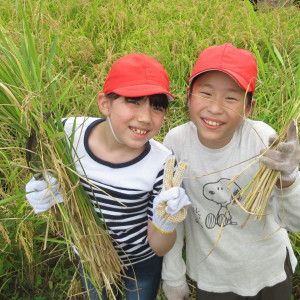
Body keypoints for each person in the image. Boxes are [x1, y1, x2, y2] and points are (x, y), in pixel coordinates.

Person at [25, 53, 191, 300]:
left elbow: (159, 246)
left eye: (157, 107)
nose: (145, 117)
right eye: (133, 101)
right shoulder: (66, 135)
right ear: (105, 103)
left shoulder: (161, 163)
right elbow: (63, 211)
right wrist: (44, 189)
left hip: (140, 263)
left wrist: (165, 221)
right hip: (90, 256)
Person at [161, 43, 300, 300]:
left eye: (231, 98)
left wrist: (289, 180)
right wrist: (173, 275)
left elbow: (296, 222)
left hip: (270, 273)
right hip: (212, 279)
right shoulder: (176, 143)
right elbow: (173, 213)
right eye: (206, 93)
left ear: (249, 108)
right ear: (189, 95)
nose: (215, 108)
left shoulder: (263, 140)